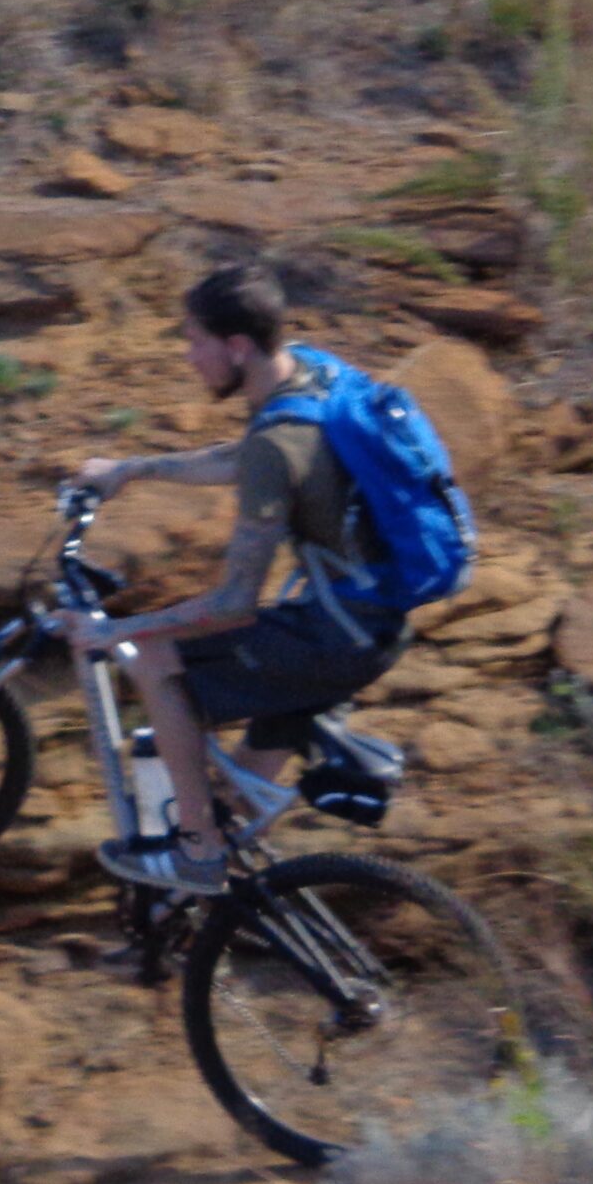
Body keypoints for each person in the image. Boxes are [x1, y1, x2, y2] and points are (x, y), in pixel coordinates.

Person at [54, 262, 412, 894]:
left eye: (196, 341)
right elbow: (247, 459)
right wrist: (133, 469)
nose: (190, 358)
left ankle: (196, 852)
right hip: (370, 623)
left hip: (332, 639)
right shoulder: (309, 373)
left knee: (157, 659)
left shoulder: (280, 439)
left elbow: (233, 604)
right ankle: (204, 922)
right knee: (231, 804)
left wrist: (115, 631)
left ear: (237, 346)